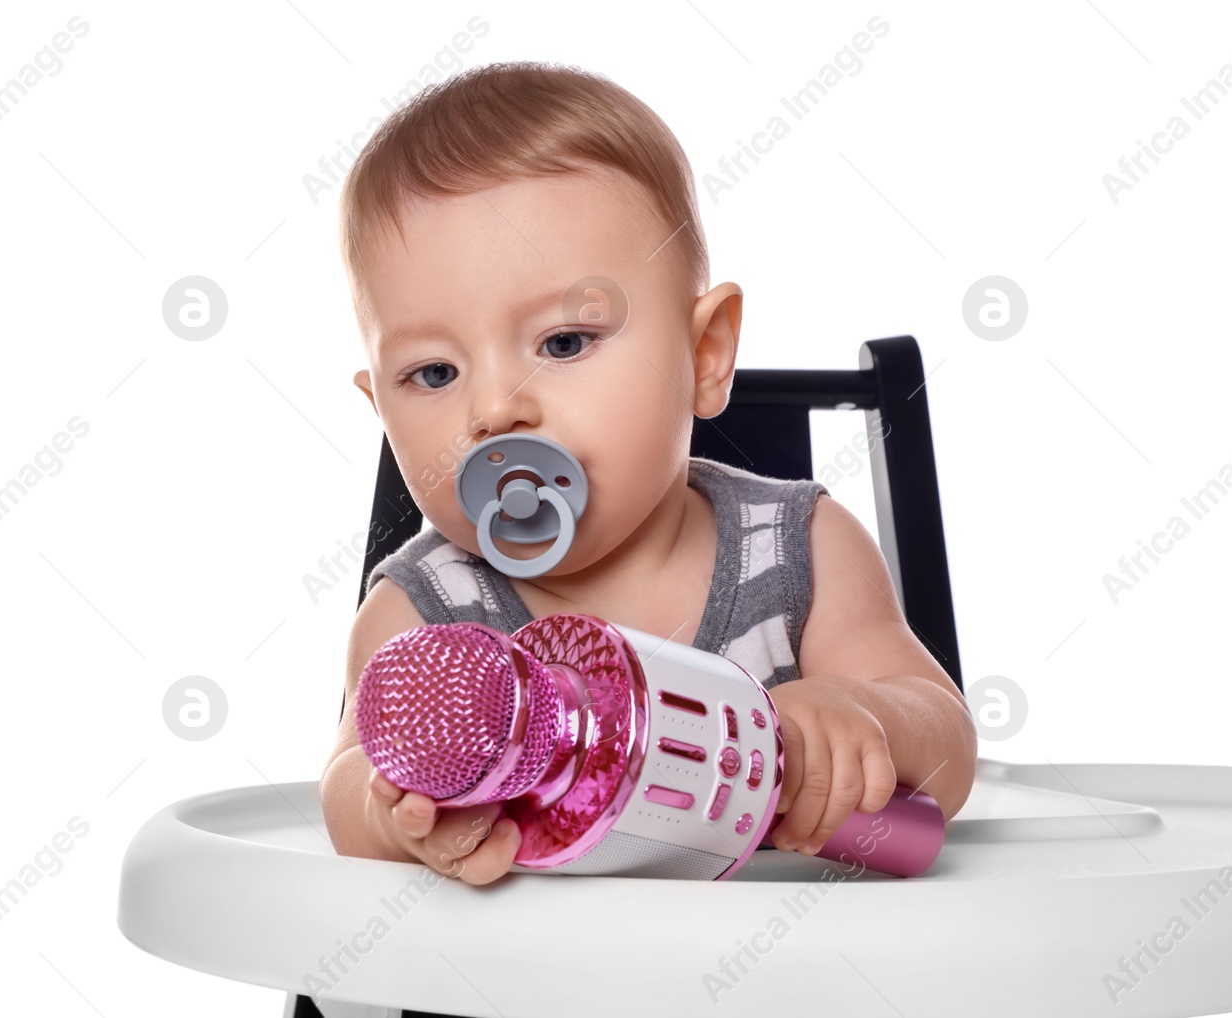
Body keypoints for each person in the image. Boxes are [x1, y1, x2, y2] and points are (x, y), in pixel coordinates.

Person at [320, 61, 975, 884]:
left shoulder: (798, 553)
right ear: (381, 408)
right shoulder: (427, 615)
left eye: (563, 343)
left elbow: (948, 749)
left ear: (703, 355)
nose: (492, 411)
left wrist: (865, 716)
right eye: (434, 375)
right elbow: (346, 785)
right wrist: (400, 814)